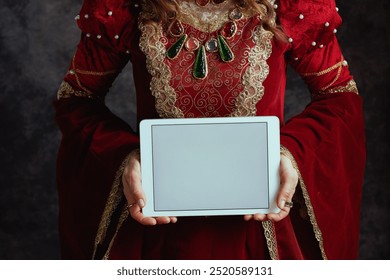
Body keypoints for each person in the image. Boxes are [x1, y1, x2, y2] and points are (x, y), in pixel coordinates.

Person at [55, 0, 366, 260]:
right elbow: (77, 99)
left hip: (261, 229)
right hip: (156, 227)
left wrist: (287, 154)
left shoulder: (290, 4)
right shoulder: (125, 5)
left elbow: (338, 95)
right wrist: (127, 158)